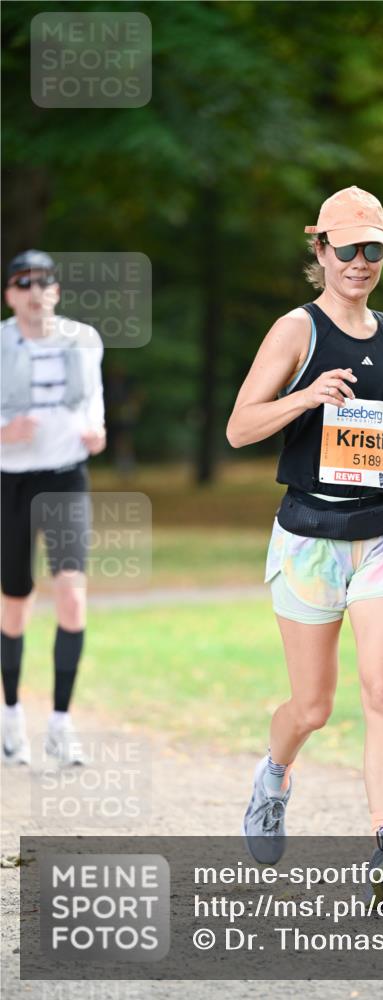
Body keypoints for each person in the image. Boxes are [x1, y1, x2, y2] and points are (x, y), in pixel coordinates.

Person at [226, 186, 383, 884]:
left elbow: (370, 422)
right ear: (319, 249)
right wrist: (306, 393)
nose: (359, 261)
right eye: (345, 247)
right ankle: (274, 773)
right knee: (312, 707)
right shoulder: (296, 331)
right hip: (309, 539)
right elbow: (240, 428)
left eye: (372, 249)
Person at [1, 250, 106, 766]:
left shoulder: (84, 340)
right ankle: (11, 713)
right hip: (10, 482)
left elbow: (95, 406)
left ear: (57, 291)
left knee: (72, 598)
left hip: (66, 477)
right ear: (10, 294)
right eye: (23, 282)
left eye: (44, 282)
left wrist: (98, 431)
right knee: (15, 604)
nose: (35, 291)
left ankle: (61, 723)